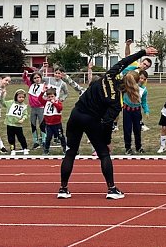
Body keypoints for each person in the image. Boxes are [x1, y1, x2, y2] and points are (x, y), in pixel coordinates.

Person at [57, 46, 157, 200]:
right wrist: (107, 141)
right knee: (104, 154)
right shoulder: (117, 101)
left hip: (76, 115)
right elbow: (107, 123)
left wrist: (143, 52)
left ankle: (63, 189)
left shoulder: (109, 75)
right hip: (92, 120)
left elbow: (125, 61)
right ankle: (111, 189)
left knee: (70, 153)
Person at [122, 70, 149, 155]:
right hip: (127, 110)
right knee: (127, 129)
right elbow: (125, 73)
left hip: (137, 111)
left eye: (144, 79)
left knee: (137, 129)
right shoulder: (128, 86)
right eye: (140, 78)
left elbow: (144, 102)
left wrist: (146, 110)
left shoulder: (144, 90)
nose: (142, 80)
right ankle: (128, 148)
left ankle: (138, 147)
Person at [22, 69, 47, 150]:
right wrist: (25, 73)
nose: (37, 79)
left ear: (41, 78)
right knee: (33, 125)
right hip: (33, 108)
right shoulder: (31, 85)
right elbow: (25, 78)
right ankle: (35, 141)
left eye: (38, 77)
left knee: (42, 124)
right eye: (35, 78)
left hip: (41, 108)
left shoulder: (44, 86)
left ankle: (44, 140)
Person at [2, 89, 30, 155]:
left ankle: (25, 148)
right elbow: (2, 103)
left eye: (23, 97)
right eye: (20, 97)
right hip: (10, 124)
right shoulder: (10, 103)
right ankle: (12, 149)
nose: (21, 99)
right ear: (16, 97)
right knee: (11, 138)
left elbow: (25, 114)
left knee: (21, 137)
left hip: (18, 125)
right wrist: (2, 95)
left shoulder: (24, 106)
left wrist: (22, 119)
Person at [42, 88, 66, 155]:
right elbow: (39, 99)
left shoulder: (57, 102)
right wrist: (42, 92)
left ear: (55, 96)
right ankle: (46, 149)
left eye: (52, 96)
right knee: (48, 137)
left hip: (57, 124)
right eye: (49, 97)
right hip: (49, 124)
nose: (50, 98)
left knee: (61, 136)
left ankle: (64, 148)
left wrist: (54, 103)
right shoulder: (46, 103)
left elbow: (60, 108)